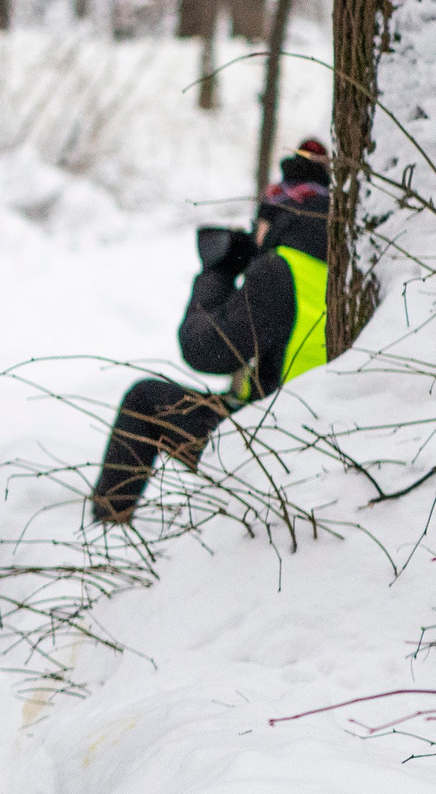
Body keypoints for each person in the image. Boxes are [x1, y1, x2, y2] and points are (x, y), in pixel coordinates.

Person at [88, 140, 332, 523]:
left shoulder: (281, 269)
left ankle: (108, 528)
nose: (254, 232)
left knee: (145, 401)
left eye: (259, 222)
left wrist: (217, 270)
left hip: (272, 446)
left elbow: (203, 350)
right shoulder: (345, 268)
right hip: (324, 439)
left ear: (277, 217)